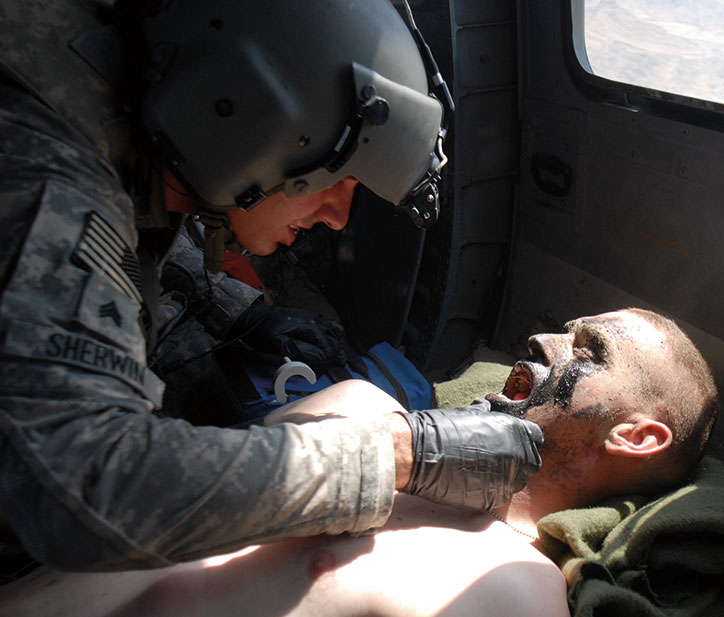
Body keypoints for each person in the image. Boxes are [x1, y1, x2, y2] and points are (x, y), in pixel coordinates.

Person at [0, 0, 543, 575]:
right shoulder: (43, 171)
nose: (337, 217)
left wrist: (234, 312)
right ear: (246, 120)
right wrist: (403, 454)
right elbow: (87, 486)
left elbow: (126, 251)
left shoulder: (128, 113)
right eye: (339, 181)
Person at [0, 308, 721, 616]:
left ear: (636, 437)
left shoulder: (513, 591)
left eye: (588, 350)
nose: (539, 338)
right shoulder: (356, 401)